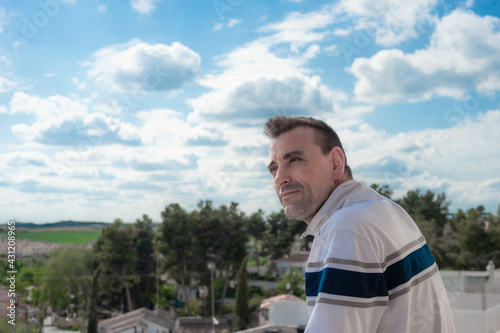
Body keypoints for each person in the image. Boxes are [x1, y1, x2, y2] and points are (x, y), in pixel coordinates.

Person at [264, 115, 456, 333]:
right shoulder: (382, 209)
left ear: (335, 163)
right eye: (273, 169)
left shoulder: (346, 228)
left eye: (294, 160)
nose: (280, 178)